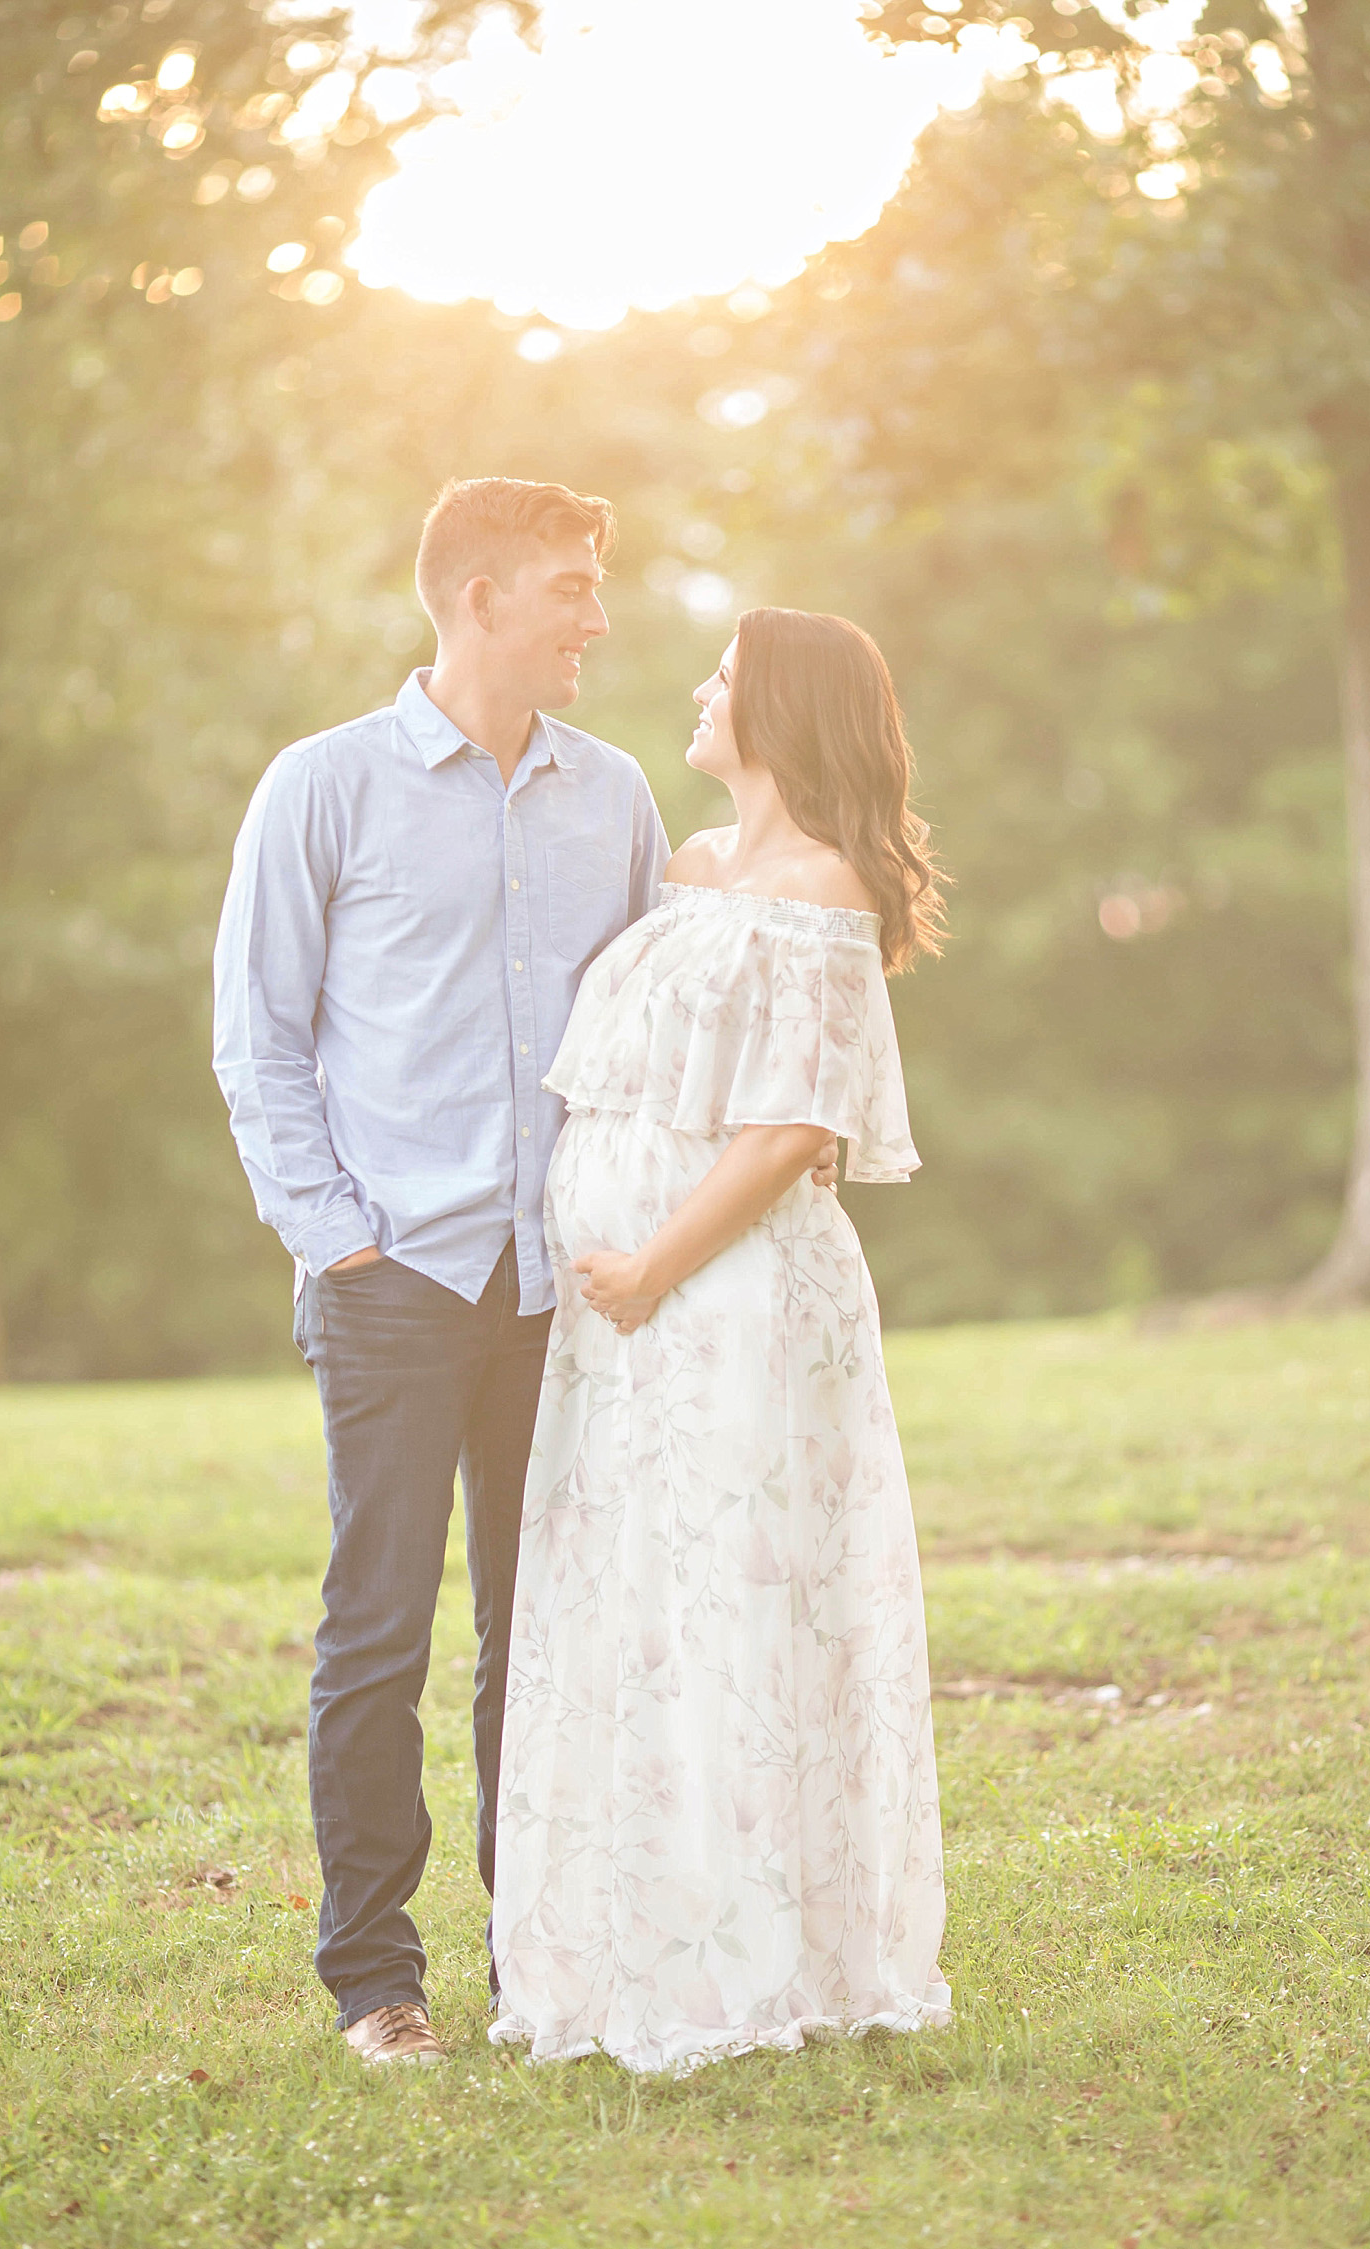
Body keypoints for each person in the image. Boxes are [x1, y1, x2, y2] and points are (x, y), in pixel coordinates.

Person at [211, 477, 841, 2064]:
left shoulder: (616, 793)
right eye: (569, 587)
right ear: (478, 595)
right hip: (394, 1274)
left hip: (566, 1289)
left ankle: (537, 1954)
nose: (598, 618)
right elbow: (259, 1040)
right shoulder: (324, 787)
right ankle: (376, 1979)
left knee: (543, 1628)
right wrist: (338, 1234)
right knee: (377, 1630)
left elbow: (664, 1013)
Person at [490, 606, 952, 2075]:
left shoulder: (828, 887)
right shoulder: (689, 868)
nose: (697, 693)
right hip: (624, 1311)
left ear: (785, 711)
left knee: (738, 1603)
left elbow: (788, 1131)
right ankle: (637, 1929)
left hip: (728, 1300)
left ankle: (760, 1954)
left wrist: (653, 1265)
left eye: (724, 678)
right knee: (637, 1596)